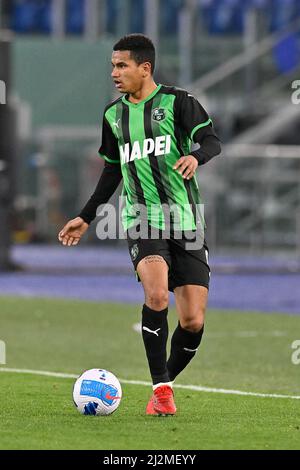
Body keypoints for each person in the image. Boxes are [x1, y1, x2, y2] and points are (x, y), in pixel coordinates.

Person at [58, 34, 221, 416]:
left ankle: (163, 382)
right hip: (141, 218)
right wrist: (87, 215)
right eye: (113, 66)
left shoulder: (179, 103)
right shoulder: (113, 116)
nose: (114, 73)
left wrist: (196, 157)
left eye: (121, 65)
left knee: (193, 320)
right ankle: (162, 390)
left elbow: (212, 141)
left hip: (186, 219)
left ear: (144, 68)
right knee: (157, 296)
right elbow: (112, 169)